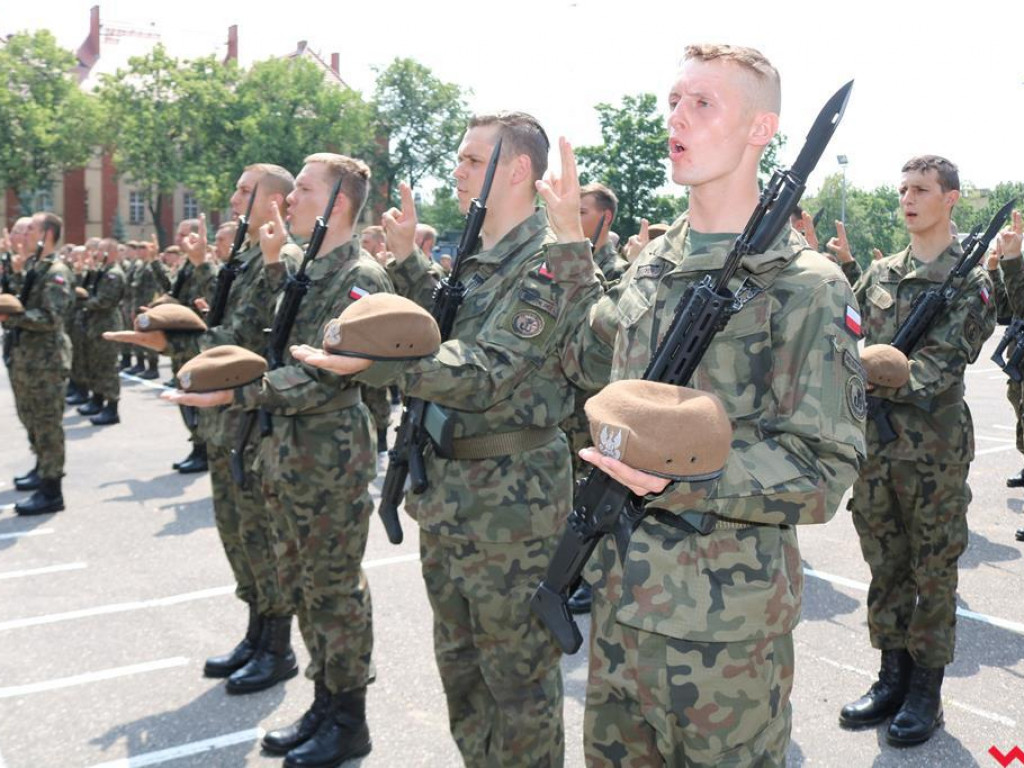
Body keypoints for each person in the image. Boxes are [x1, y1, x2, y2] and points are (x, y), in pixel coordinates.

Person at [551, 45, 864, 765]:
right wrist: (569, 243)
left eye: (703, 103)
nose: (675, 119)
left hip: (723, 632)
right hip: (620, 604)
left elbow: (825, 469)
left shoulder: (806, 285)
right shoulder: (652, 263)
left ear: (761, 130)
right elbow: (584, 363)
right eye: (673, 101)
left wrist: (682, 474)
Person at [294, 111, 603, 766]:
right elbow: (445, 323)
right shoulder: (478, 255)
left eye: (470, 160)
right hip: (451, 502)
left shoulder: (546, 262)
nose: (456, 171)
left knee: (517, 691)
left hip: (510, 515)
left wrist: (376, 361)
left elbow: (489, 370)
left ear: (517, 169)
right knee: (462, 678)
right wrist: (408, 264)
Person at [168, 153, 390, 767]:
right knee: (303, 584)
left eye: (306, 189)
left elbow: (323, 376)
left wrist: (236, 393)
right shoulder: (304, 267)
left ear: (338, 203)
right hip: (284, 450)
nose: (291, 198)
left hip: (328, 453)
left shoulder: (360, 278)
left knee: (334, 589)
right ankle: (323, 703)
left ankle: (348, 718)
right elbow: (263, 343)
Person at [110, 165, 299, 697]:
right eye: (236, 186)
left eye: (245, 189)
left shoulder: (279, 261)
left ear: (276, 202)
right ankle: (256, 631)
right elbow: (220, 333)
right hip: (224, 421)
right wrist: (175, 338)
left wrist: (176, 343)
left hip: (251, 419)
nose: (234, 196)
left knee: (260, 536)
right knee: (236, 534)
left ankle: (278, 645)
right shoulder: (238, 259)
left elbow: (248, 342)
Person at [839, 155, 996, 745]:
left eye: (921, 190)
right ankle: (890, 677)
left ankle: (926, 692)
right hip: (876, 448)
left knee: (933, 571)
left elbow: (938, 368)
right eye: (902, 188)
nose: (908, 199)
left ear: (950, 199)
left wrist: (869, 369)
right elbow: (844, 335)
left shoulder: (972, 282)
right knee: (885, 564)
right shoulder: (879, 273)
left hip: (932, 453)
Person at [1, 212, 75, 515]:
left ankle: (51, 489)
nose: (24, 233)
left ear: (46, 234)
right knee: (31, 419)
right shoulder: (36, 266)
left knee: (48, 425)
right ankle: (41, 467)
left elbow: (51, 317)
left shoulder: (57, 271)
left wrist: (10, 315)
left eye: (30, 228)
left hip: (46, 363)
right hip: (27, 359)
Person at [78, 237, 125, 426]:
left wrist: (82, 302)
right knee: (95, 364)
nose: (97, 253)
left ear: (111, 252)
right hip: (96, 325)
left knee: (108, 366)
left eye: (101, 250)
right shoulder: (103, 271)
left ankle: (112, 407)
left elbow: (106, 301)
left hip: (107, 325)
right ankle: (97, 400)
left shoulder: (113, 274)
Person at [579, 182, 626, 282]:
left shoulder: (617, 272)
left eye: (581, 212)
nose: (573, 218)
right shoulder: (570, 260)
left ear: (606, 218)